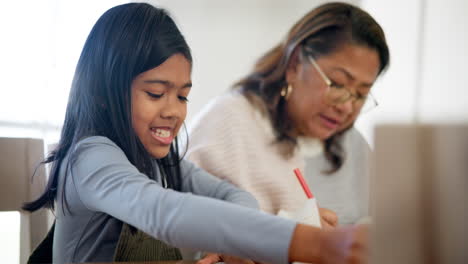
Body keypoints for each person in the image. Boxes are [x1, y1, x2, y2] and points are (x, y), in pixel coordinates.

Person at [22, 3, 368, 264]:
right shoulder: (91, 158)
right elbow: (163, 213)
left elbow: (234, 197)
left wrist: (235, 242)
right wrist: (317, 243)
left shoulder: (164, 163)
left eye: (183, 95)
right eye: (156, 93)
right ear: (102, 94)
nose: (174, 110)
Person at [186, 2, 389, 225]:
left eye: (361, 94)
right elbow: (188, 227)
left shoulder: (353, 144)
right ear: (294, 65)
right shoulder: (228, 123)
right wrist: (287, 233)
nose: (347, 107)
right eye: (338, 84)